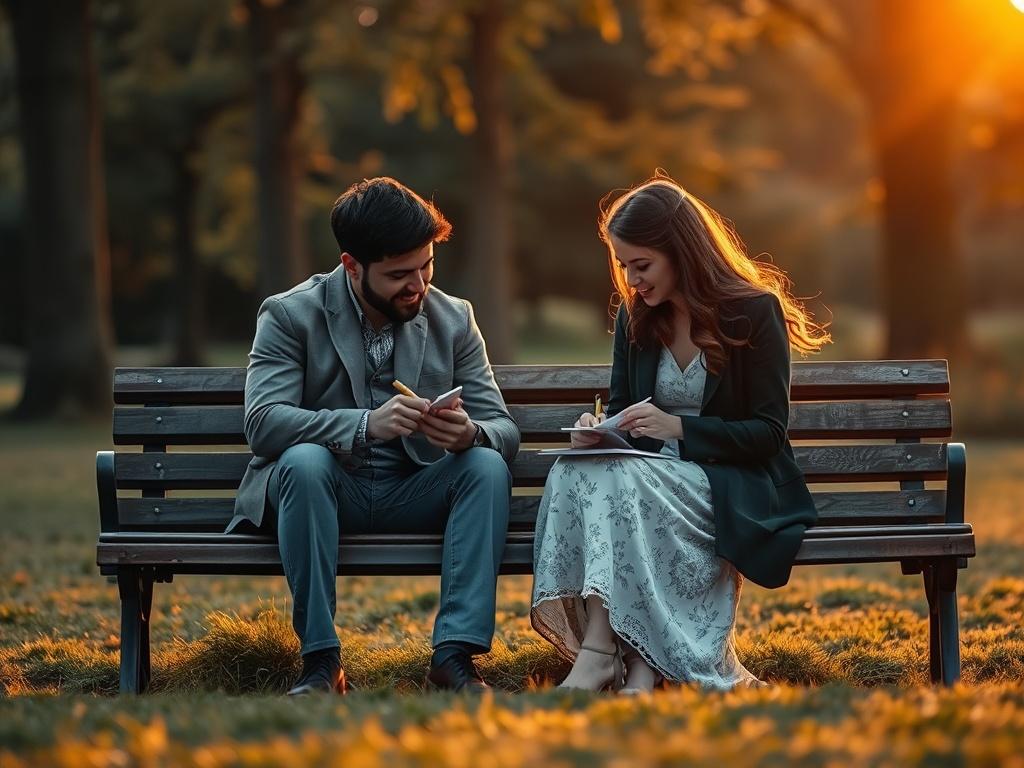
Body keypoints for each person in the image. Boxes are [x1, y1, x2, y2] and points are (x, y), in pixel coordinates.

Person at [531, 176, 831, 693]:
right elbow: (624, 409)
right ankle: (633, 663)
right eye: (623, 266)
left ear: (680, 251)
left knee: (624, 485)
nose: (632, 280)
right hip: (648, 481)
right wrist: (600, 431)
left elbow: (768, 433)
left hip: (729, 485)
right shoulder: (637, 317)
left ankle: (605, 655)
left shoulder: (754, 313)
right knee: (574, 471)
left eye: (641, 265)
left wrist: (681, 429)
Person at [227, 177, 520, 695]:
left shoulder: (455, 318)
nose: (419, 285)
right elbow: (264, 423)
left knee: (486, 464)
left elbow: (502, 428)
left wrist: (470, 434)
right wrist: (364, 424)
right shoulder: (290, 314)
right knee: (303, 462)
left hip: (414, 488)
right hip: (321, 489)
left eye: (427, 265)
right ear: (351, 265)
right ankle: (321, 662)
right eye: (400, 274)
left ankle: (454, 658)